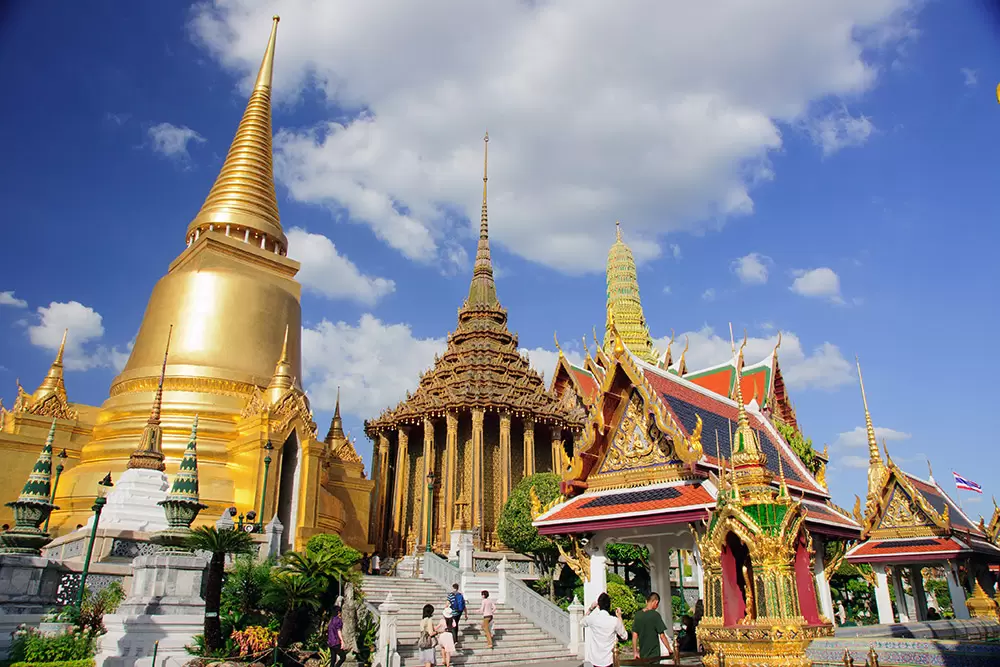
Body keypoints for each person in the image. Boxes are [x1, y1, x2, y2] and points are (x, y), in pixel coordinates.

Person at [582, 592, 626, 667]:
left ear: (598, 606)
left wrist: (590, 609)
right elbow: (624, 636)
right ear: (610, 606)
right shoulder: (614, 621)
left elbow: (582, 622)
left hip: (595, 659)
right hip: (609, 659)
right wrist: (619, 617)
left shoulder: (593, 619)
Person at [632, 591, 670, 662]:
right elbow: (662, 636)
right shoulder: (655, 615)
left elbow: (634, 636)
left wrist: (635, 652)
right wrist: (670, 650)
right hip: (654, 654)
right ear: (655, 602)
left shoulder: (638, 615)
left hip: (643, 654)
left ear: (646, 601)